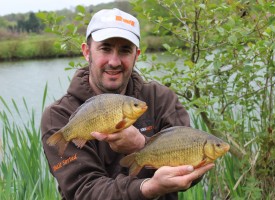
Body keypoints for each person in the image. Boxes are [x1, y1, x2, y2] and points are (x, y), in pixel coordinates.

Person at [41, 8, 214, 200]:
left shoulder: (160, 99)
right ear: (87, 52)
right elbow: (84, 191)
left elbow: (194, 164)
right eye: (105, 48)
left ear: (136, 55)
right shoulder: (59, 116)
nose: (114, 62)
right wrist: (147, 188)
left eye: (125, 50)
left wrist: (142, 144)